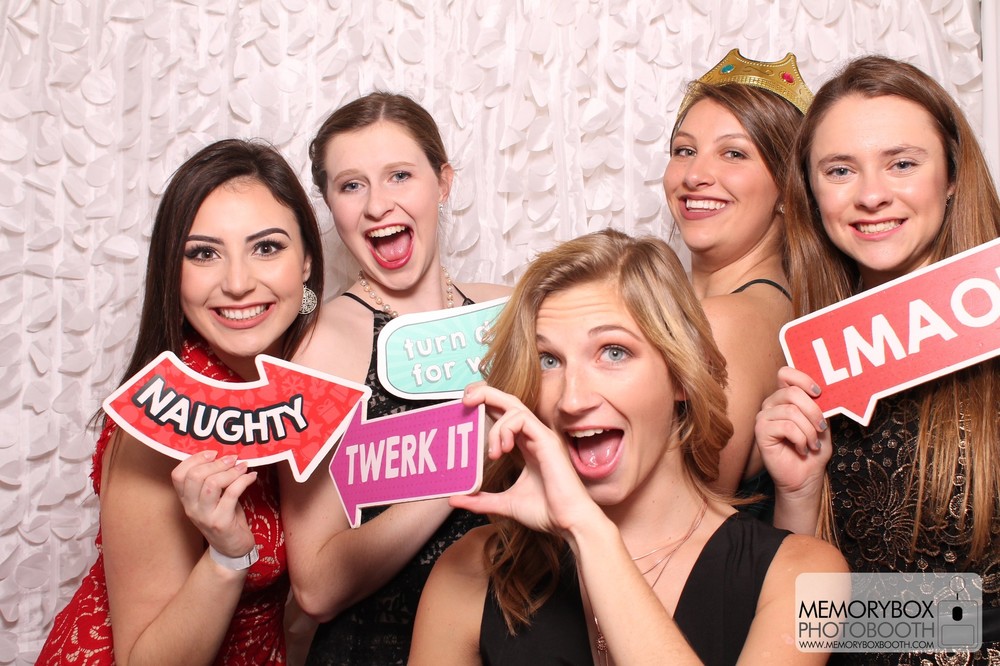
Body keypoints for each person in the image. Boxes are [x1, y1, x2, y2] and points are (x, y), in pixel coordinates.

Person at [409, 228, 847, 665]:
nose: (572, 400)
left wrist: (588, 529)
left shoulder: (812, 577)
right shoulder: (469, 569)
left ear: (682, 373)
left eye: (614, 352)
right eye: (548, 361)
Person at [37, 139, 325, 664]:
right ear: (173, 270)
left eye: (266, 248)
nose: (237, 283)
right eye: (204, 253)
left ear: (306, 261)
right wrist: (226, 556)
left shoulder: (318, 381)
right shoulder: (158, 425)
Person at [754, 55, 1000, 665]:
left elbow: (823, 621)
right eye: (840, 170)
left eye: (902, 163)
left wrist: (845, 621)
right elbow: (802, 621)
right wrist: (798, 493)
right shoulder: (809, 364)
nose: (870, 195)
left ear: (951, 175)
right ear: (811, 193)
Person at [279, 92, 510, 665]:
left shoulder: (509, 313)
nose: (378, 205)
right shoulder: (317, 345)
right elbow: (316, 587)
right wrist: (464, 465)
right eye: (351, 185)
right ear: (330, 205)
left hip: (516, 640)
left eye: (400, 175)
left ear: (443, 182)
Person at [662, 49, 813, 515]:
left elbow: (679, 521)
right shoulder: (768, 303)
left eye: (733, 153)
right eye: (685, 150)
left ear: (787, 188)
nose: (695, 175)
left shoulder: (726, 320)